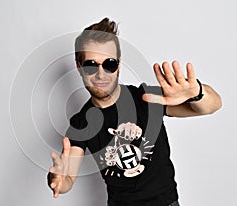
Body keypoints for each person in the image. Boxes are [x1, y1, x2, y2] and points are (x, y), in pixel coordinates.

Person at [47, 17, 222, 206]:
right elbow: (67, 178)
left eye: (109, 64)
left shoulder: (146, 98)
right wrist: (58, 180)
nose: (101, 74)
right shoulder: (82, 123)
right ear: (79, 67)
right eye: (91, 65)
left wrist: (196, 92)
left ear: (119, 65)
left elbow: (213, 105)